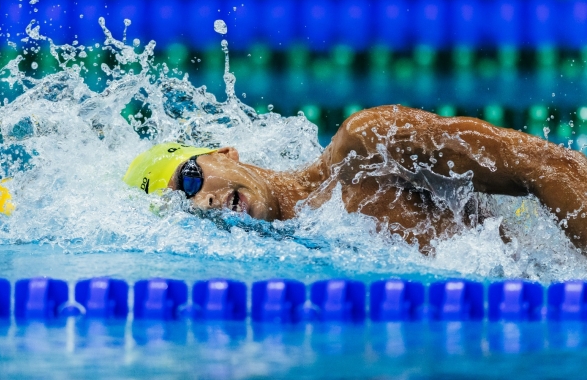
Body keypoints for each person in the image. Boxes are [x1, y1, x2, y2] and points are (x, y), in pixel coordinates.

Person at [124, 105, 587, 251]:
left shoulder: (366, 149)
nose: (199, 202)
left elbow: (545, 167)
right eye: (183, 207)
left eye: (188, 180)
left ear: (225, 153)